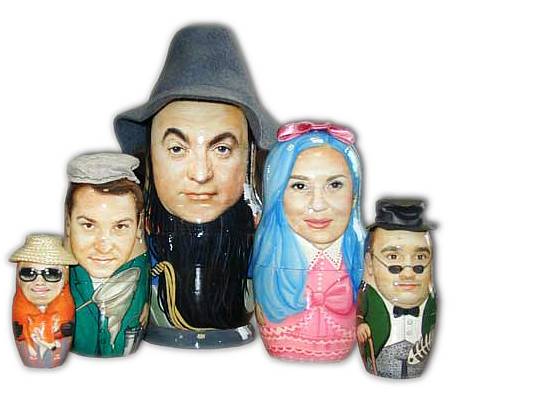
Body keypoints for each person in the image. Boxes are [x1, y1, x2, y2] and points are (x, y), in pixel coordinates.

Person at [114, 24, 278, 348]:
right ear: (150, 156)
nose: (201, 174)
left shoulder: (268, 245)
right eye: (177, 148)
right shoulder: (126, 243)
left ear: (248, 158)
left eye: (222, 149)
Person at [251, 121, 365, 361]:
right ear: (277, 195)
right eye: (300, 186)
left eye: (335, 185)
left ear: (354, 195)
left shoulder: (363, 258)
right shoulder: (269, 257)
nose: (318, 204)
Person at [65, 152, 150, 357]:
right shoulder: (55, 276)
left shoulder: (141, 273)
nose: (103, 246)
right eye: (88, 225)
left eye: (120, 226)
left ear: (138, 226)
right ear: (68, 223)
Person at [356, 199, 437, 378]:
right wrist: (361, 324)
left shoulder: (430, 303)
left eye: (420, 258)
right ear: (370, 263)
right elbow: (361, 315)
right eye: (393, 257)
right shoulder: (368, 298)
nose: (408, 274)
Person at [9, 234, 77, 368]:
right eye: (29, 273)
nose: (39, 282)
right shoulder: (21, 313)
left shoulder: (65, 313)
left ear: (65, 276)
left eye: (51, 273)